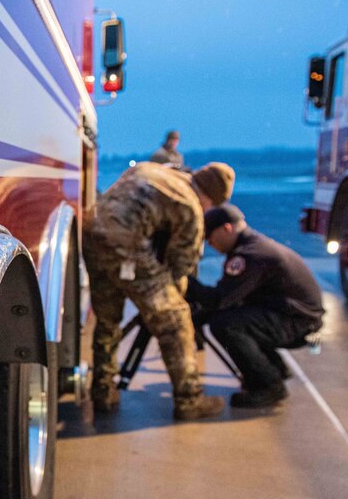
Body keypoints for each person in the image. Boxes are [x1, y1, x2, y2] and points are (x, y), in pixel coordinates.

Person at [84, 161, 236, 420]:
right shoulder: (190, 205)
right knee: (175, 321)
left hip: (91, 234)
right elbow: (181, 267)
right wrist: (169, 300)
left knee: (108, 320)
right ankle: (189, 400)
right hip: (127, 246)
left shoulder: (151, 170)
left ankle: (103, 391)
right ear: (210, 198)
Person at [187, 205, 325, 408]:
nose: (210, 243)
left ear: (226, 228)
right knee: (235, 317)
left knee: (226, 325)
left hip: (299, 323)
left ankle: (269, 386)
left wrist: (185, 281)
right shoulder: (253, 245)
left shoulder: (249, 255)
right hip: (298, 317)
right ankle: (273, 368)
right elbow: (231, 298)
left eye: (210, 237)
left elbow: (218, 300)